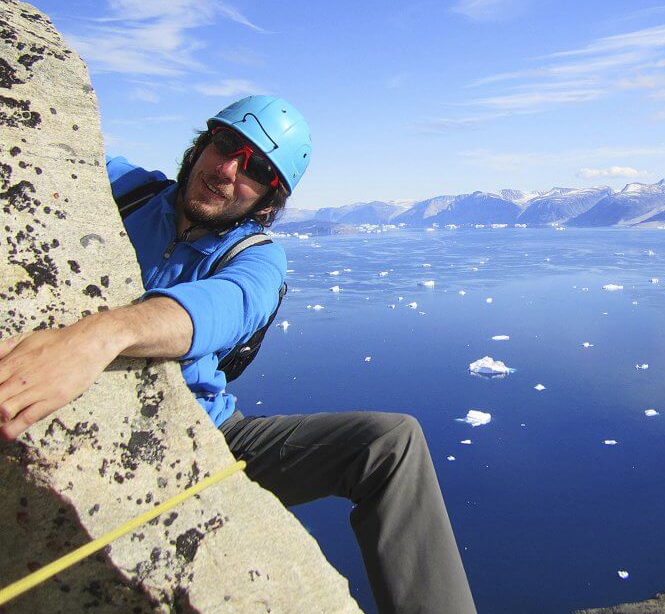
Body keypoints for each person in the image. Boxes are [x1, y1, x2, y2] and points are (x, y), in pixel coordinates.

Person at [0, 95, 477, 614]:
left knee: (391, 443)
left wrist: (97, 337)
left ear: (268, 202)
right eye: (226, 144)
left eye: (257, 169)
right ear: (201, 144)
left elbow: (221, 309)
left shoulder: (258, 259)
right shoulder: (129, 190)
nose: (227, 169)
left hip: (211, 433)